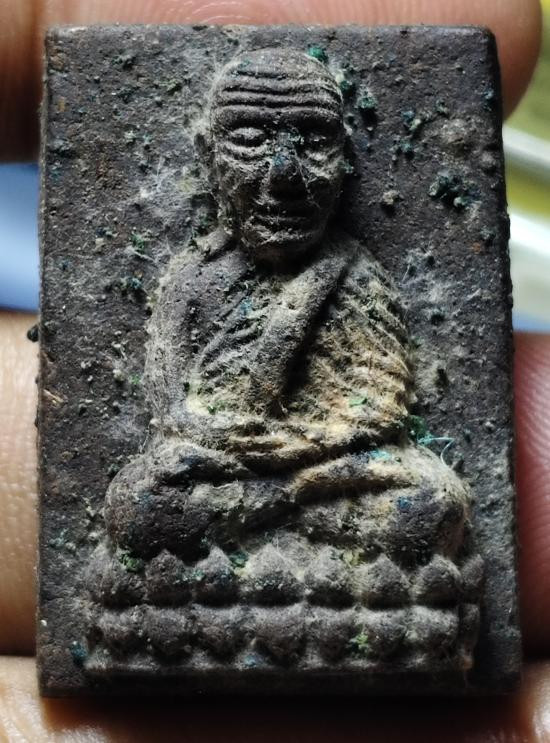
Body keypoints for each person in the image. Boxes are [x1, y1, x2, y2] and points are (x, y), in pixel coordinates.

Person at [0, 0, 548, 739]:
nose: (283, 176)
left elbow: (381, 409)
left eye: (312, 144)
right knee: (138, 503)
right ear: (208, 154)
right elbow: (173, 408)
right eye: (251, 142)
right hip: (226, 469)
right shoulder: (192, 279)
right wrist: (218, 441)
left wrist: (295, 464)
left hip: (332, 473)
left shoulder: (352, 273)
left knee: (433, 501)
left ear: (346, 162)